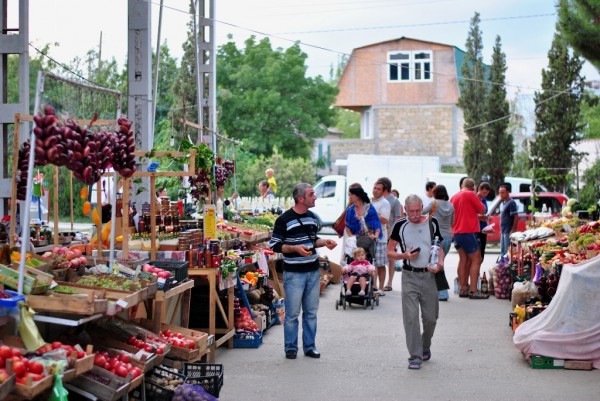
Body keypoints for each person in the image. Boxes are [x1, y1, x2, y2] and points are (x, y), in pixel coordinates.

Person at [269, 183, 337, 360]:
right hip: (294, 274)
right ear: (301, 198)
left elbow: (313, 240)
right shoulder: (284, 220)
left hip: (313, 272)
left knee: (311, 313)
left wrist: (324, 243)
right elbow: (275, 245)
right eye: (311, 194)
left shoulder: (313, 218)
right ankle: (291, 348)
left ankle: (310, 347)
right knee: (292, 314)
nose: (315, 197)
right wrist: (295, 249)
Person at [387, 195, 444, 370]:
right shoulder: (399, 225)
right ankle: (415, 356)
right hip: (409, 276)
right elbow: (390, 251)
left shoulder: (432, 223)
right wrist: (404, 256)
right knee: (411, 318)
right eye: (411, 211)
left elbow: (438, 247)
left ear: (422, 208)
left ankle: (425, 346)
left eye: (418, 210)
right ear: (405, 210)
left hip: (429, 276)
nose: (415, 214)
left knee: (430, 319)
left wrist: (440, 263)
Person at [450, 178, 487, 299]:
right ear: (473, 188)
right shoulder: (471, 194)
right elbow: (482, 209)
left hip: (457, 232)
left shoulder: (454, 196)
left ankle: (463, 289)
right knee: (477, 259)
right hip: (468, 231)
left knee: (463, 260)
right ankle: (473, 290)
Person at [344, 186, 383, 294]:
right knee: (352, 254)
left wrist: (375, 235)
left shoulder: (369, 208)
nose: (350, 196)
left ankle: (371, 284)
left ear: (358, 196)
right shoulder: (350, 210)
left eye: (351, 194)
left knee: (369, 257)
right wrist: (351, 236)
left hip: (368, 239)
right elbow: (347, 226)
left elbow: (377, 225)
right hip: (356, 239)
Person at [423, 185, 454, 301]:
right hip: (448, 238)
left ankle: (442, 293)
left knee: (435, 264)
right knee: (439, 263)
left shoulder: (434, 203)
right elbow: (452, 221)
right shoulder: (451, 205)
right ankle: (439, 291)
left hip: (436, 238)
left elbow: (421, 212)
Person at [378, 177, 404, 290]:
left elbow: (398, 219)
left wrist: (396, 236)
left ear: (384, 188)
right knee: (379, 259)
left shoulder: (395, 201)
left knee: (390, 259)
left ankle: (389, 283)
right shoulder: (378, 199)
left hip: (391, 233)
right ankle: (378, 284)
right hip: (380, 232)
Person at [371, 180, 391, 295]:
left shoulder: (384, 203)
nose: (376, 191)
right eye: (374, 188)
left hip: (380, 238)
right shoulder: (369, 201)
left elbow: (385, 219)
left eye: (379, 189)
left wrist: (372, 214)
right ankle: (373, 286)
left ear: (383, 191)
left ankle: (381, 288)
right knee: (370, 263)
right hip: (369, 236)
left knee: (380, 263)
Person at [498, 184, 518, 257]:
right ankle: (503, 266)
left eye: (502, 192)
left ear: (507, 192)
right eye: (500, 192)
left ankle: (508, 266)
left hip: (508, 231)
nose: (501, 194)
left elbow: (516, 216)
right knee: (503, 251)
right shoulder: (503, 203)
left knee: (508, 251)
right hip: (503, 230)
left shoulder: (511, 203)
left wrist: (513, 229)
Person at [476, 182, 492, 261]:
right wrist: (483, 217)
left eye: (487, 193)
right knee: (476, 252)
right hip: (476, 229)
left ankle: (477, 271)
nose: (485, 195)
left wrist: (487, 217)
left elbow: (485, 213)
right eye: (484, 192)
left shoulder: (484, 199)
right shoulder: (475, 199)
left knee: (482, 252)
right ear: (479, 189)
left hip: (483, 228)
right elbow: (473, 215)